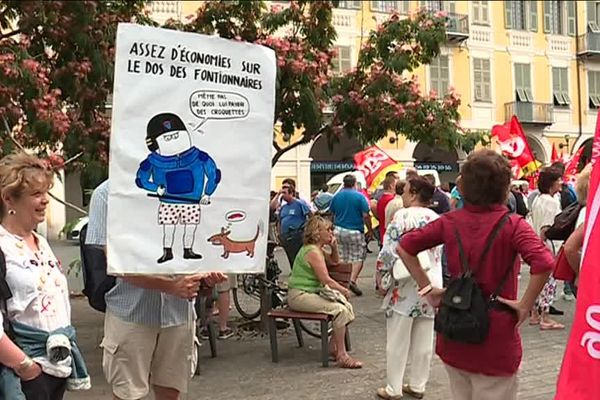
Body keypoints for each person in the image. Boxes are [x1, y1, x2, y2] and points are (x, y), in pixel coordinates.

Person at [396, 150, 554, 400]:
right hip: (495, 334)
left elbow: (404, 247)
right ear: (504, 188)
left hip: (455, 330)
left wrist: (427, 288)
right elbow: (544, 262)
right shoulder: (513, 225)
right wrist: (525, 304)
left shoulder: (449, 221)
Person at [86, 179, 226, 400]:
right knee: (127, 394)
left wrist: (207, 277)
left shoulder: (187, 185)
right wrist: (170, 286)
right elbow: (115, 262)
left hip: (178, 312)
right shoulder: (107, 193)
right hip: (131, 311)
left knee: (171, 390)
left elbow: (200, 246)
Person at [0, 152, 91, 399]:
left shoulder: (40, 242)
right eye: (36, 194)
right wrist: (26, 367)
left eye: (46, 193)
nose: (45, 201)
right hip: (22, 370)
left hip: (55, 366)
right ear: (8, 199)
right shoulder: (2, 247)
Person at [375, 177, 442, 400]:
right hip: (430, 283)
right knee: (424, 336)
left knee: (398, 338)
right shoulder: (436, 218)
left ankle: (393, 387)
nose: (402, 195)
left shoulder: (401, 217)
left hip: (404, 285)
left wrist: (382, 275)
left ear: (413, 193)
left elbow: (388, 251)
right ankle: (418, 384)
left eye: (404, 191)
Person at [287, 215, 361, 368]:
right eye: (327, 230)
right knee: (339, 310)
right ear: (317, 233)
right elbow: (326, 280)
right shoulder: (312, 251)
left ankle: (333, 347)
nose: (331, 233)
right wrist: (343, 290)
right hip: (300, 295)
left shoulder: (316, 250)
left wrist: (334, 247)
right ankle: (341, 355)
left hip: (308, 293)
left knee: (345, 307)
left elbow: (334, 262)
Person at [529, 167, 565, 330]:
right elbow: (546, 228)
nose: (561, 182)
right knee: (549, 282)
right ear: (551, 183)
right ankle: (545, 316)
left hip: (537, 245)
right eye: (558, 180)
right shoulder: (551, 202)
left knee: (538, 281)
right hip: (548, 246)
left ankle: (535, 314)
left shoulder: (538, 199)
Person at [329, 174, 374, 296]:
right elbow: (366, 215)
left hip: (339, 229)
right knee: (358, 257)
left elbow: (331, 213)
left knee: (342, 257)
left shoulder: (336, 197)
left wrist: (332, 226)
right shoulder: (359, 197)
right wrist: (369, 229)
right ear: (355, 183)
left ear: (344, 183)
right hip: (355, 230)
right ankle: (352, 280)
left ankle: (342, 281)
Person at [277, 186, 311, 269]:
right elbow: (279, 221)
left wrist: (308, 229)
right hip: (285, 236)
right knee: (290, 256)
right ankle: (293, 271)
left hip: (296, 234)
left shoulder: (299, 204)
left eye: (285, 193)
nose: (283, 195)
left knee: (297, 256)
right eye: (282, 193)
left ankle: (300, 271)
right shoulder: (283, 207)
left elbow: (310, 215)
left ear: (291, 193)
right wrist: (279, 234)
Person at [376, 175, 398, 241]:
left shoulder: (381, 199)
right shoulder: (392, 200)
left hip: (383, 234)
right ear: (391, 186)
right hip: (390, 235)